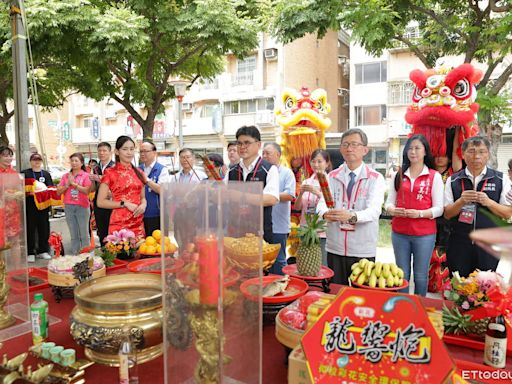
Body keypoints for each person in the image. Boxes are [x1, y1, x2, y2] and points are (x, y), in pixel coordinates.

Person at [317, 128, 386, 285]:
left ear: (365, 150)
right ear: (341, 149)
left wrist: (352, 216)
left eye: (354, 144)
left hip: (362, 248)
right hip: (336, 246)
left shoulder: (375, 178)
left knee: (362, 297)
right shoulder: (332, 176)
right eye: (345, 144)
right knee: (336, 292)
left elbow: (374, 211)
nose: (349, 149)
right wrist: (324, 214)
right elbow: (321, 204)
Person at [444, 136, 512, 277]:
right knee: (458, 286)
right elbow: (447, 214)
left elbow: (507, 213)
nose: (476, 156)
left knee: (485, 286)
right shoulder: (454, 180)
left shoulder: (500, 179)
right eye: (471, 151)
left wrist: (489, 202)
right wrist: (461, 201)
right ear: (462, 154)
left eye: (482, 152)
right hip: (459, 243)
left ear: (488, 154)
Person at [385, 135, 444, 296]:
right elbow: (388, 202)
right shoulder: (399, 174)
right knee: (401, 274)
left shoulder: (434, 176)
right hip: (400, 233)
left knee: (420, 275)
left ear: (425, 151)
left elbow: (439, 208)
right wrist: (393, 210)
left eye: (417, 148)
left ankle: (420, 308)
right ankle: (402, 306)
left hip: (424, 234)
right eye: (410, 148)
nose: (413, 151)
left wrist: (419, 214)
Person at [226, 125, 279, 243]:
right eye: (239, 143)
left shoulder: (269, 169)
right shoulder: (232, 171)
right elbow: (223, 196)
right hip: (235, 232)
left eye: (247, 143)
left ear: (258, 145)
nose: (242, 147)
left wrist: (240, 196)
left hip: (260, 232)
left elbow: (271, 199)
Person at [97, 136, 147, 238]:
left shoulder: (139, 172)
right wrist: (125, 204)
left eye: (132, 149)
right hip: (119, 225)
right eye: (125, 149)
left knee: (141, 253)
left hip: (138, 222)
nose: (129, 152)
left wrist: (143, 205)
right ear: (116, 151)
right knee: (121, 253)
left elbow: (143, 198)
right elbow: (100, 202)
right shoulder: (109, 173)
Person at [294, 149, 331, 266]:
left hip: (322, 231)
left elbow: (331, 205)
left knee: (322, 264)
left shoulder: (331, 181)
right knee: (306, 264)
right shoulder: (306, 181)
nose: (316, 165)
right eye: (313, 162)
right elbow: (298, 207)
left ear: (327, 163)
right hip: (306, 229)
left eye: (320, 161)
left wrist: (317, 193)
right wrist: (300, 193)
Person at [262, 142, 295, 274]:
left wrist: (270, 197)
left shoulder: (286, 173)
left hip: (278, 226)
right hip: (262, 225)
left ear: (278, 155)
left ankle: (281, 287)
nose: (264, 156)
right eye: (263, 153)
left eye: (268, 153)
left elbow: (290, 195)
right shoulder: (262, 171)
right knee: (263, 260)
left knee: (279, 260)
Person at [57, 153, 92, 254]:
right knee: (73, 233)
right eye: (72, 161)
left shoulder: (86, 175)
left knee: (84, 233)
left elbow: (87, 191)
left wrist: (74, 185)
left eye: (76, 161)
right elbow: (59, 192)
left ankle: (86, 255)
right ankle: (75, 254)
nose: (74, 163)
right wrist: (67, 184)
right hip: (69, 207)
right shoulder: (65, 176)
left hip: (82, 207)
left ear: (81, 163)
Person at [22, 153, 54, 263]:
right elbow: (20, 188)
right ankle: (30, 252)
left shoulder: (45, 174)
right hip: (30, 206)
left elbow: (50, 188)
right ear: (30, 161)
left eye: (39, 160)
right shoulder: (25, 173)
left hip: (43, 206)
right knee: (30, 229)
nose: (37, 162)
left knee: (44, 228)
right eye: (34, 160)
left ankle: (43, 250)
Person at [139, 141, 171, 236]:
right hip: (140, 214)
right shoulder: (137, 169)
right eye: (141, 151)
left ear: (154, 153)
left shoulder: (162, 169)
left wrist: (146, 179)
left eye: (145, 151)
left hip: (157, 214)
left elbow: (162, 190)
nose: (142, 154)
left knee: (157, 245)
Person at [90, 142, 115, 245]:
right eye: (100, 151)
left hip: (112, 202)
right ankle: (104, 253)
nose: (102, 153)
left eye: (104, 151)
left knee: (112, 228)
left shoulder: (115, 166)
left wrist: (100, 178)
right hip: (98, 202)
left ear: (110, 152)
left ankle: (114, 254)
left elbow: (117, 184)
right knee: (101, 229)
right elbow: (93, 187)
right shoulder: (95, 168)